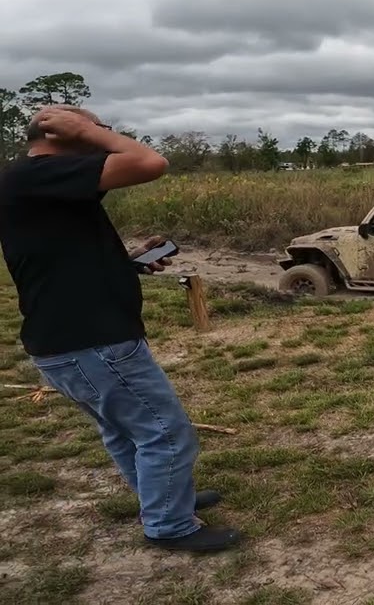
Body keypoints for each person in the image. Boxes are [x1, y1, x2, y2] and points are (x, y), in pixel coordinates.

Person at [0, 105, 241, 553]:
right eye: (96, 127)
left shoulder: (35, 182)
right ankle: (169, 525)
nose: (103, 134)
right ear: (59, 133)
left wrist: (127, 262)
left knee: (125, 429)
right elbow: (151, 163)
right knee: (165, 432)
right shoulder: (37, 174)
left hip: (70, 339)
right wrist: (90, 130)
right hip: (91, 341)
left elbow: (59, 260)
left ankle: (165, 499)